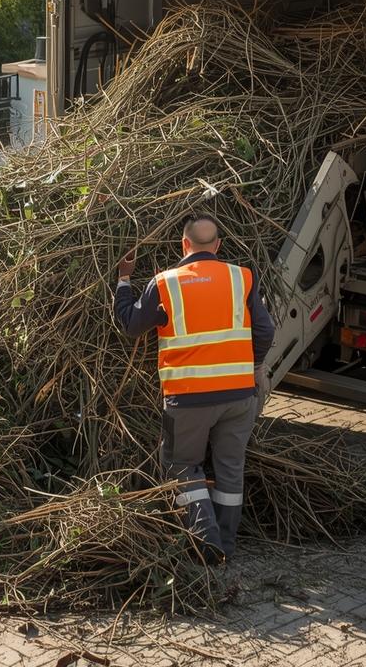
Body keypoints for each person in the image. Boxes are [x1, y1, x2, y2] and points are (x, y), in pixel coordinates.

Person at [114, 214, 274, 563]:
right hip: (238, 396)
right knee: (230, 467)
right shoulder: (242, 277)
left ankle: (207, 543)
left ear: (184, 244)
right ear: (218, 245)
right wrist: (257, 366)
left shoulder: (166, 283)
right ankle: (226, 547)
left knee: (181, 464)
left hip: (188, 399)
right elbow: (265, 330)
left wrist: (124, 279)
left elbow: (131, 324)